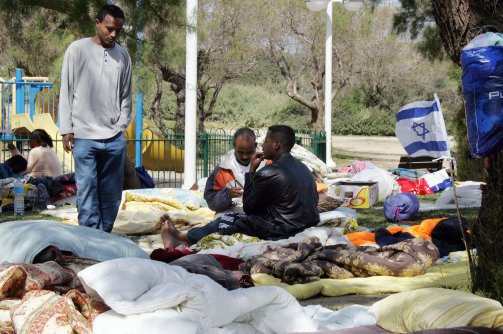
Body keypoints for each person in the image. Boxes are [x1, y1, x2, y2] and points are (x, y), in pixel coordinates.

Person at [161, 125, 320, 247]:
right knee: (229, 217)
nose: (262, 145)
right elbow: (211, 199)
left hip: (283, 229)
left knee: (228, 220)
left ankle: (184, 238)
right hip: (304, 223)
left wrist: (251, 172)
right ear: (234, 147)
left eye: (266, 141)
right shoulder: (303, 167)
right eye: (240, 152)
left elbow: (251, 208)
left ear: (277, 144)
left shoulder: (269, 170)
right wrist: (227, 195)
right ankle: (187, 236)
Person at [59, 4, 132, 232]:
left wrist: (120, 126)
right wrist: (66, 128)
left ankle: (104, 235)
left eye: (118, 31)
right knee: (87, 190)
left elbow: (126, 96)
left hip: (113, 137)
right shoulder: (77, 50)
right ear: (98, 23)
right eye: (109, 29)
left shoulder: (123, 56)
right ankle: (90, 238)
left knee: (111, 193)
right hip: (83, 136)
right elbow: (66, 90)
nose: (113, 34)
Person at [204, 127, 267, 214]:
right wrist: (227, 195)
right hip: (231, 213)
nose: (244, 157)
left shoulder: (268, 165)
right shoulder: (222, 169)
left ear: (255, 146)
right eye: (240, 152)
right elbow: (211, 201)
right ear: (234, 145)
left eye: (249, 152)